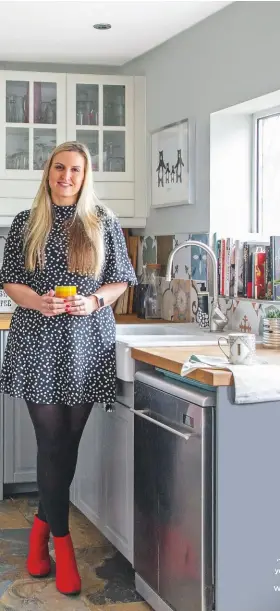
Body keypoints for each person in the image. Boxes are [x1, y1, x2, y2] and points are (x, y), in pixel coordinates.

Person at [0, 141, 137, 596]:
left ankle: (39, 536)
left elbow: (120, 279)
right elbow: (11, 280)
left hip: (86, 342)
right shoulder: (26, 222)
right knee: (51, 442)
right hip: (37, 339)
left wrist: (94, 299)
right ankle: (62, 542)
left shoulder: (103, 222)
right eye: (59, 168)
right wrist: (37, 301)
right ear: (48, 171)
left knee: (67, 444)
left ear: (85, 175)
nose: (66, 176)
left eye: (75, 170)